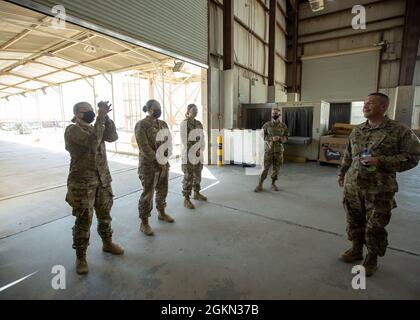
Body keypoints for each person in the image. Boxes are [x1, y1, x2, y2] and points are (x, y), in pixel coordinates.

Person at [338, 92, 420, 277]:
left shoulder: (399, 130)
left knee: (375, 226)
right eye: (364, 103)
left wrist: (380, 161)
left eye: (370, 103)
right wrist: (342, 173)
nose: (365, 106)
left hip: (379, 189)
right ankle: (356, 250)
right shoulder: (357, 130)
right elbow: (348, 154)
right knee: (354, 221)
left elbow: (413, 157)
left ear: (383, 107)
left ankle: (372, 258)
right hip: (353, 186)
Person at [65, 101, 124, 275]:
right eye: (86, 111)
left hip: (102, 180)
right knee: (84, 220)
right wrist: (100, 118)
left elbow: (112, 136)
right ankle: (81, 257)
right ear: (77, 114)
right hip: (83, 183)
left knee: (105, 214)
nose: (91, 113)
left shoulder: (95, 126)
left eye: (92, 110)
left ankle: (107, 243)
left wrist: (106, 117)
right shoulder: (72, 130)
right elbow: (93, 142)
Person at [135, 99, 174, 236]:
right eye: (156, 108)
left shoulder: (162, 124)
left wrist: (165, 157)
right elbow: (144, 147)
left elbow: (169, 142)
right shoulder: (141, 125)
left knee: (163, 189)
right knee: (148, 194)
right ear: (149, 109)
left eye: (160, 107)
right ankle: (144, 222)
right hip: (149, 166)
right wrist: (158, 159)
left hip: (163, 164)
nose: (159, 110)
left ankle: (161, 212)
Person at [254, 107, 289, 192]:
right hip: (268, 150)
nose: (274, 115)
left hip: (278, 151)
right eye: (273, 113)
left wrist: (280, 138)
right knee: (265, 168)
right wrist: (271, 138)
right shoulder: (267, 125)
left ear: (279, 115)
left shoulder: (283, 126)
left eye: (276, 114)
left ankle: (273, 184)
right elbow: (261, 135)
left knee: (276, 169)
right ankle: (260, 184)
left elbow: (286, 137)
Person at [180, 104, 207, 209]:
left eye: (197, 110)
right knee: (188, 176)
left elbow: (202, 137)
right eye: (193, 109)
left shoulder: (199, 123)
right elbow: (184, 139)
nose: (196, 111)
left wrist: (201, 149)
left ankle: (196, 193)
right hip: (188, 155)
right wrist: (194, 150)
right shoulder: (184, 123)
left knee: (198, 173)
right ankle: (186, 199)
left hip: (198, 154)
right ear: (188, 111)